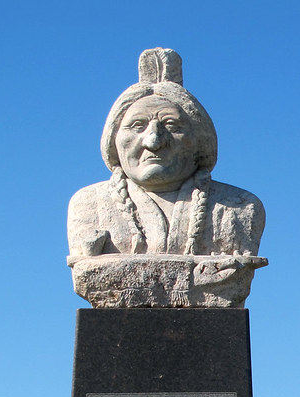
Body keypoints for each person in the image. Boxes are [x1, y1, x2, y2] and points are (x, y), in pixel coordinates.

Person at [67, 49, 265, 307]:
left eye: (171, 126)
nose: (153, 141)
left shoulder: (240, 207)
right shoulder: (88, 204)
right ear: (113, 140)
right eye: (137, 126)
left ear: (200, 141)